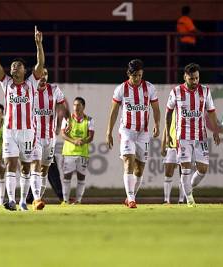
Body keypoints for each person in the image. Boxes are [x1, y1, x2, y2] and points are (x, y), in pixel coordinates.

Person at [0, 26, 45, 211]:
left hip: (27, 131)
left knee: (26, 167)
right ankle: (11, 200)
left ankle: (24, 201)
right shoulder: (7, 83)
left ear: (25, 70)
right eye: (12, 66)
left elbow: (40, 64)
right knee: (10, 164)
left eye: (17, 66)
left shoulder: (32, 83)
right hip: (10, 131)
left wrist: (39, 45)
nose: (13, 68)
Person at [106, 59, 160, 209]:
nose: (137, 78)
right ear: (128, 74)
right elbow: (114, 111)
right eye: (135, 75)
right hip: (127, 131)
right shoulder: (121, 89)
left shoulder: (149, 88)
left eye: (140, 75)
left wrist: (157, 124)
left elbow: (155, 108)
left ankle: (131, 196)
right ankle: (131, 199)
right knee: (128, 161)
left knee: (140, 168)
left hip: (143, 132)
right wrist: (109, 131)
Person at [166, 63, 221, 207]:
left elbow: (211, 111)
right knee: (186, 168)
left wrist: (215, 130)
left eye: (197, 78)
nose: (195, 81)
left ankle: (186, 187)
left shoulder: (205, 91)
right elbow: (169, 113)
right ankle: (190, 199)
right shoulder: (176, 92)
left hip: (200, 136)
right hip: (182, 137)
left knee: (203, 169)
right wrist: (167, 134)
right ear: (185, 77)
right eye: (191, 79)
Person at [30, 68, 68, 200]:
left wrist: (60, 125)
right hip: (34, 137)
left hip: (50, 137)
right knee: (35, 165)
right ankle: (36, 199)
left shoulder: (55, 90)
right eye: (40, 74)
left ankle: (37, 198)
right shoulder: (30, 90)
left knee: (44, 170)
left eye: (45, 74)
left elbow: (63, 106)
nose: (43, 76)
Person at [61, 97, 94, 204]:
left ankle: (78, 200)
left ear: (83, 107)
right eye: (74, 105)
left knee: (81, 177)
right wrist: (74, 141)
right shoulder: (67, 119)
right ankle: (65, 201)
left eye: (78, 105)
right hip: (69, 152)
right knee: (67, 176)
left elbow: (91, 137)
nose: (76, 107)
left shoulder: (89, 120)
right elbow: (63, 134)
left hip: (82, 153)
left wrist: (82, 141)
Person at [161, 111, 185, 204]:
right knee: (168, 173)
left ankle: (181, 200)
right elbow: (165, 129)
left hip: (184, 146)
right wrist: (163, 145)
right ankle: (166, 200)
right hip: (171, 146)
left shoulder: (186, 109)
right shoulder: (171, 111)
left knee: (183, 174)